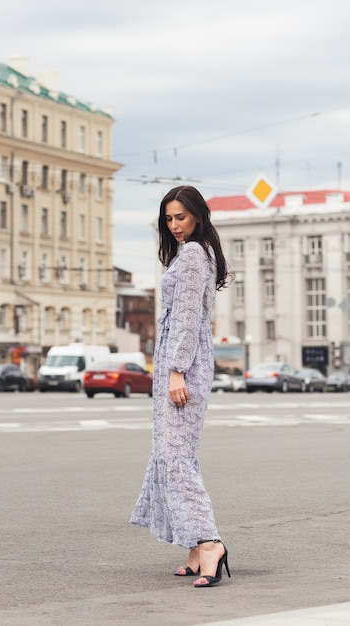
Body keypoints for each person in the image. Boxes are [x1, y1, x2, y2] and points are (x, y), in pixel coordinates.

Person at [130, 185, 232, 588]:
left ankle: (209, 543)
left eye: (181, 218)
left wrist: (174, 370)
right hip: (186, 363)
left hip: (183, 366)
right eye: (168, 219)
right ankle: (194, 546)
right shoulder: (198, 252)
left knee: (174, 457)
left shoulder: (192, 254)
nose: (174, 226)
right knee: (179, 456)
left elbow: (188, 318)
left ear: (198, 217)